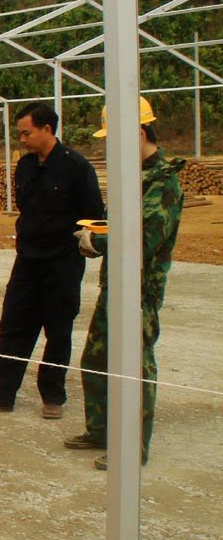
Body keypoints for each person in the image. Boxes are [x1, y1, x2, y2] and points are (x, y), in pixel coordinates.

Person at [65, 97, 184, 470]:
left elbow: (143, 240)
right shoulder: (133, 176)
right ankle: (100, 430)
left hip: (138, 291)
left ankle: (133, 447)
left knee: (135, 365)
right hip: (114, 285)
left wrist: (97, 242)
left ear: (138, 131)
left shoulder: (161, 182)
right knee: (97, 359)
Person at [0, 102, 104, 418]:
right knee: (13, 325)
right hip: (28, 262)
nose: (22, 139)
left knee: (58, 329)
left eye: (27, 133)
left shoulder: (76, 166)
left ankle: (53, 396)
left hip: (62, 263)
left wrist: (81, 247)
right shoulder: (25, 166)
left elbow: (93, 214)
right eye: (20, 134)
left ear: (46, 129)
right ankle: (1, 393)